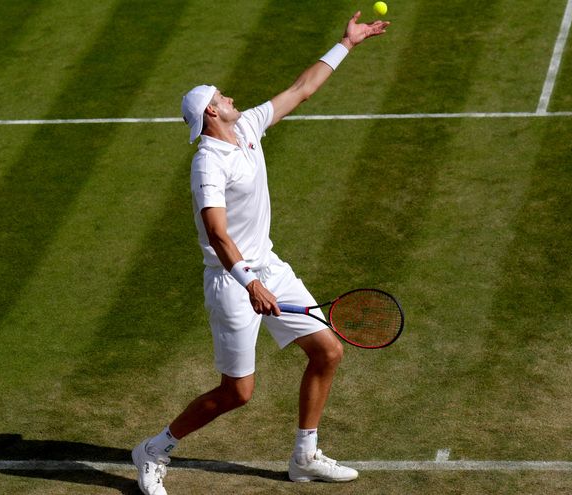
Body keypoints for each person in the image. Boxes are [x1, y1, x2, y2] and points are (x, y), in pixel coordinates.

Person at [132, 11, 389, 495]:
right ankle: (154, 449)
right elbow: (217, 232)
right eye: (220, 96)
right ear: (211, 113)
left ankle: (304, 456)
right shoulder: (207, 163)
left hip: (268, 266)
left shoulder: (247, 125)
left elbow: (301, 89)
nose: (229, 97)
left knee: (328, 350)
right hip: (233, 281)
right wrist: (250, 282)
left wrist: (347, 44)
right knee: (238, 392)